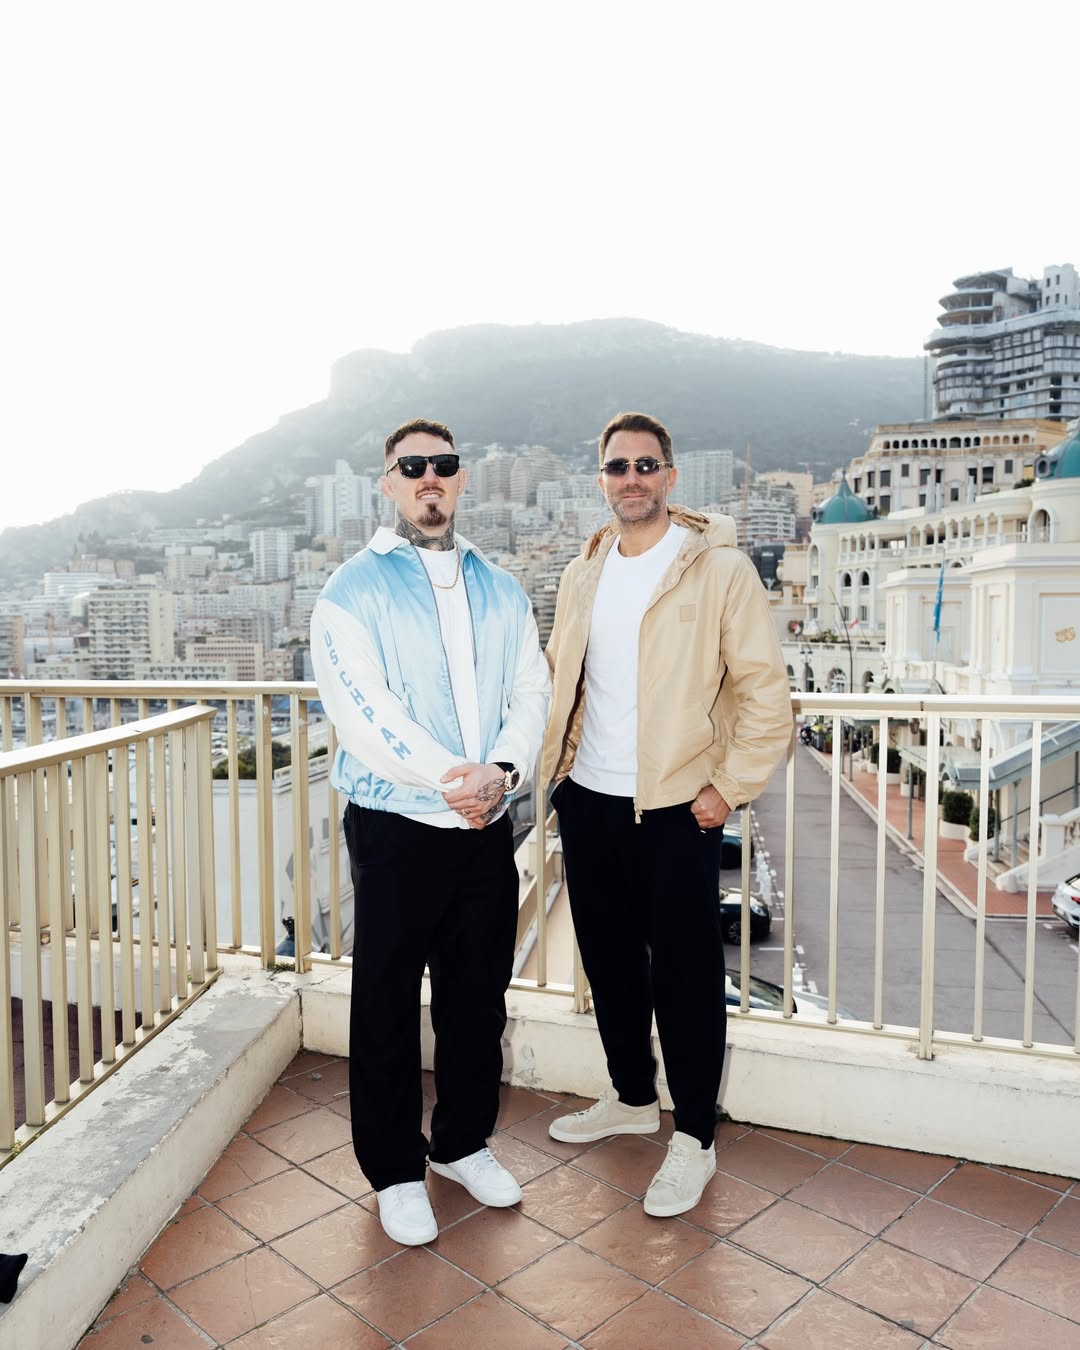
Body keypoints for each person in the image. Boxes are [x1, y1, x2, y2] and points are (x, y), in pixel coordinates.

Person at [541, 410, 792, 1217]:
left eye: (646, 465)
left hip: (679, 806)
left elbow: (766, 695)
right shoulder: (584, 572)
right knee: (609, 961)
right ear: (602, 480)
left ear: (671, 477)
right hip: (590, 798)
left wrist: (728, 787)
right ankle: (630, 1098)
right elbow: (559, 679)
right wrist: (554, 778)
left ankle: (695, 1140)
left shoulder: (718, 569)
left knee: (686, 977)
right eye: (618, 467)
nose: (632, 479)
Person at [311, 418, 550, 1246]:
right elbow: (362, 711)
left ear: (461, 477)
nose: (428, 477)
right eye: (411, 466)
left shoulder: (501, 587)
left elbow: (531, 691)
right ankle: (393, 1170)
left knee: (476, 1000)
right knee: (385, 1004)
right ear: (389, 484)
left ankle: (461, 1145)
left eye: (442, 464)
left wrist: (503, 773)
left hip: (484, 827)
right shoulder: (351, 590)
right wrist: (459, 780)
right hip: (395, 827)